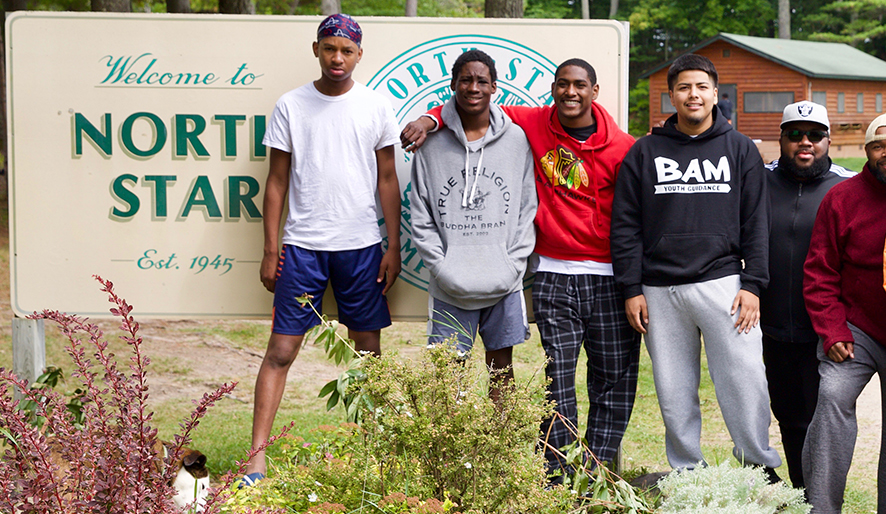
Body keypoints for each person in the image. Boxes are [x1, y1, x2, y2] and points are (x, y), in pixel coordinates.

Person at [401, 58, 641, 474]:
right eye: (562, 84)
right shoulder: (533, 123)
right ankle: (553, 473)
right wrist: (429, 116)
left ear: (594, 91)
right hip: (554, 273)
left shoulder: (624, 148)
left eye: (580, 85)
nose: (570, 92)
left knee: (613, 381)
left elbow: (636, 216)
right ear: (551, 88)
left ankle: (600, 472)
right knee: (557, 383)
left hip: (607, 276)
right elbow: (470, 105)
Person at [246, 13, 401, 483]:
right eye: (330, 48)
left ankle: (370, 453)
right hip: (304, 248)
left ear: (359, 55)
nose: (338, 58)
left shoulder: (376, 106)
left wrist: (392, 246)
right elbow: (275, 182)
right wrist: (271, 247)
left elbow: (388, 180)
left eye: (347, 50)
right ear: (316, 49)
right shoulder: (291, 105)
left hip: (360, 248)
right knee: (281, 351)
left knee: (367, 353)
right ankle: (256, 459)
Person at [610, 54, 780, 477]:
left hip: (724, 283)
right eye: (684, 87)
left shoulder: (740, 149)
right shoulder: (645, 152)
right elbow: (626, 225)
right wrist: (631, 288)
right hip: (659, 290)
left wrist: (754, 284)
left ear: (715, 92)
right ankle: (687, 471)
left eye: (701, 86)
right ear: (672, 95)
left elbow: (757, 221)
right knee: (673, 389)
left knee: (745, 380)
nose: (693, 95)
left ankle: (757, 466)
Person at [802, 112, 886, 514]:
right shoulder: (842, 198)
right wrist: (832, 330)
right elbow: (819, 270)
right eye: (878, 146)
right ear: (866, 152)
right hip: (856, 329)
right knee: (833, 396)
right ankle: (821, 508)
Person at [406, 49, 536, 392]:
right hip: (451, 284)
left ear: (495, 87)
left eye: (481, 80)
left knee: (502, 371)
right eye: (466, 79)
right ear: (453, 85)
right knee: (449, 378)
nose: (473, 87)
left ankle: (499, 444)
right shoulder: (430, 144)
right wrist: (442, 266)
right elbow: (420, 214)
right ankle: (452, 448)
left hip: (503, 282)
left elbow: (527, 208)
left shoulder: (517, 139)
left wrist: (513, 263)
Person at [761, 100, 855, 489]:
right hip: (767, 325)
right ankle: (801, 490)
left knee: (823, 414)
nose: (805, 142)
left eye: (815, 135)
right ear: (781, 139)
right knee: (786, 413)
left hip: (825, 328)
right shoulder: (759, 180)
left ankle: (821, 493)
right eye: (795, 134)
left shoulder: (848, 185)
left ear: (828, 140)